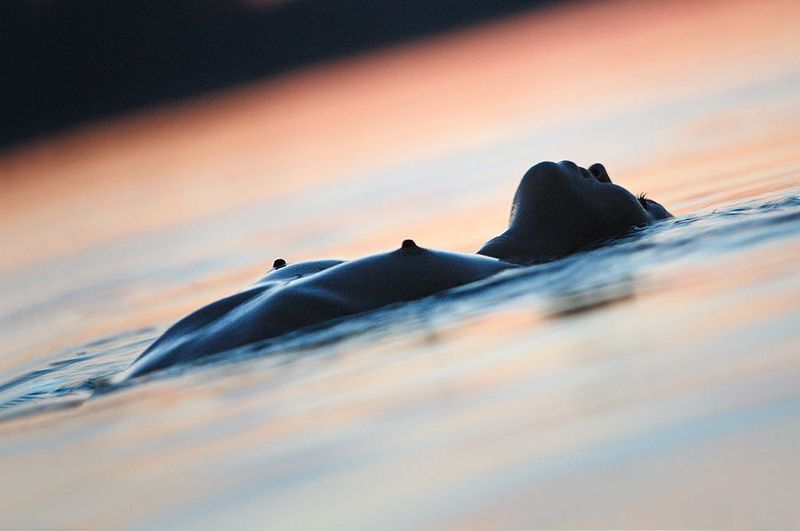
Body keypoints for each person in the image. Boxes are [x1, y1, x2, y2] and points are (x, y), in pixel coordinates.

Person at [121, 161, 672, 379]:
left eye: (642, 199)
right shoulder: (472, 274)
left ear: (612, 245)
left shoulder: (491, 284)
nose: (599, 167)